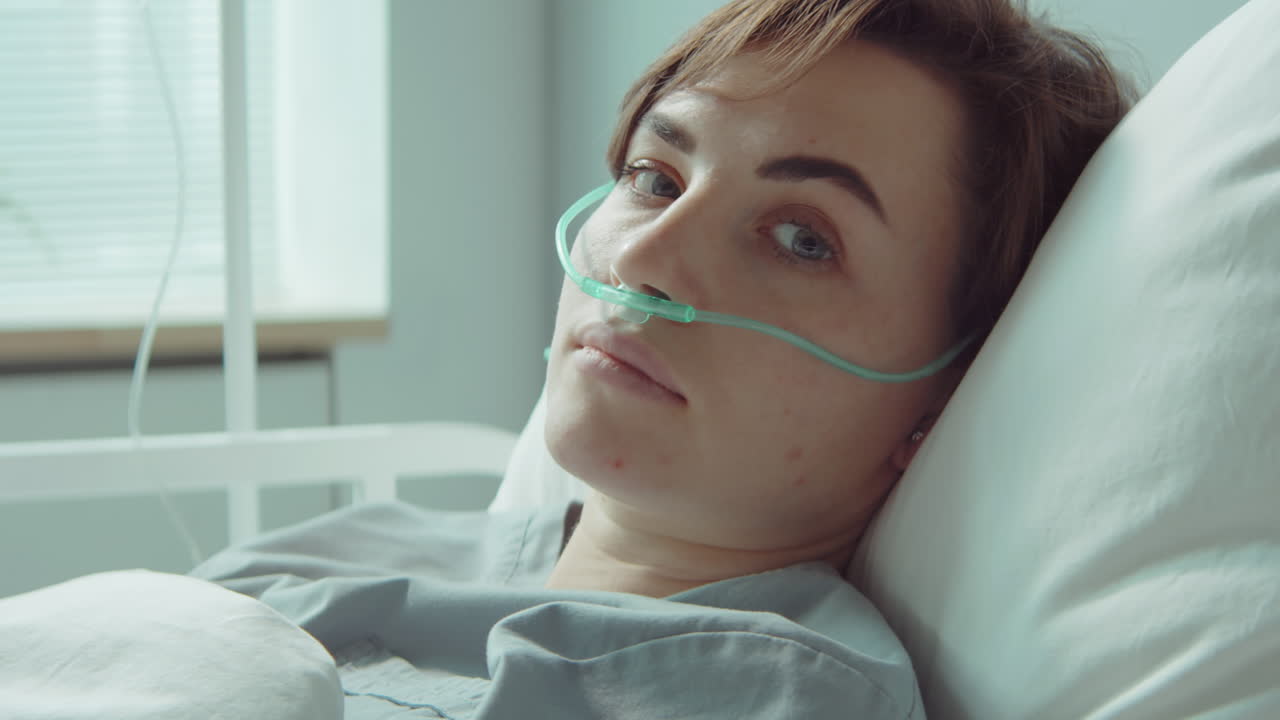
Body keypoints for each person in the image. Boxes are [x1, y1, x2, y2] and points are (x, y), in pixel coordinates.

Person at [192, 1, 1134, 717]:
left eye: (802, 239)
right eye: (656, 176)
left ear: (943, 399)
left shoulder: (776, 693)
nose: (641, 260)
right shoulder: (340, 550)